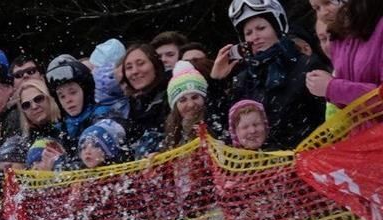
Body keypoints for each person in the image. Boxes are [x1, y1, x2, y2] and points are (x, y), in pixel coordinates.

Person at [209, 0, 328, 149]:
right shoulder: (244, 79)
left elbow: (328, 118)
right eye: (248, 33)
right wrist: (217, 80)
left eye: (261, 28)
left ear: (277, 28)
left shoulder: (306, 66)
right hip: (260, 163)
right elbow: (221, 128)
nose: (255, 37)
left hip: (308, 157)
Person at [311, 0, 383, 107]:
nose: (323, 13)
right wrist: (328, 90)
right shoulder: (337, 40)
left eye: (328, 2)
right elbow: (348, 106)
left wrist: (333, 88)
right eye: (317, 8)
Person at [119, 43, 172, 157]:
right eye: (129, 67)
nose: (134, 71)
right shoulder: (132, 105)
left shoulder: (171, 95)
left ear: (155, 65)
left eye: (141, 63)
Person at [162, 59, 212, 148]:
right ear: (175, 106)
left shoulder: (215, 122)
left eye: (195, 97)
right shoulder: (172, 131)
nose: (191, 104)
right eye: (183, 100)